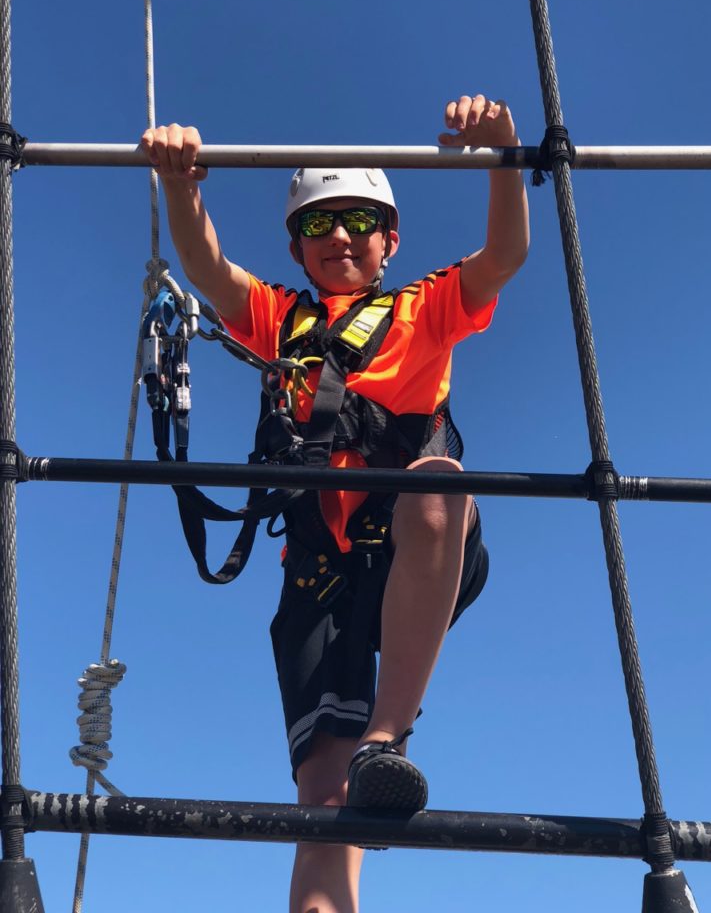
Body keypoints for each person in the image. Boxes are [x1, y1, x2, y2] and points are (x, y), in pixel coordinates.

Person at [141, 94, 529, 913]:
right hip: (318, 569)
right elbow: (208, 267)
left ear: (391, 240)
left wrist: (504, 152)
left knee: (437, 483)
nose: (342, 236)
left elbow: (504, 254)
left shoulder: (425, 307)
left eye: (359, 220)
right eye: (320, 225)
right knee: (321, 807)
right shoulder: (279, 317)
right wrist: (182, 185)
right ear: (296, 247)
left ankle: (388, 737)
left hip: (416, 540)